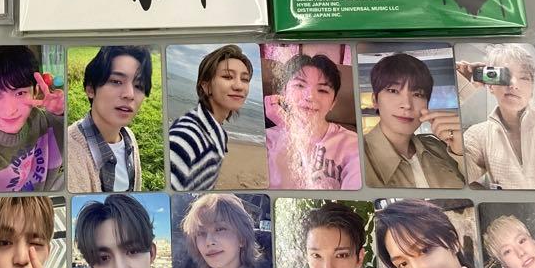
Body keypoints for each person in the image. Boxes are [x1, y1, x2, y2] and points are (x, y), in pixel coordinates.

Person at [458, 45, 535, 189]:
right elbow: (453, 179)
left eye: (524, 77)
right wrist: (458, 87)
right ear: (490, 85)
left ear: (532, 89)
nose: (513, 84)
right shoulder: (478, 135)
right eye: (504, 75)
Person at [0, 46, 64, 192]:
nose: (10, 110)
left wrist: (61, 112)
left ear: (36, 91)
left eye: (20, 93)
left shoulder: (45, 121)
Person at [362, 52, 466, 188]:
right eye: (393, 91)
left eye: (417, 94)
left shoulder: (438, 147)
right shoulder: (358, 155)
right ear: (375, 100)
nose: (407, 104)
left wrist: (460, 152)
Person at [265, 53, 361, 189]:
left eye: (322, 90)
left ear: (333, 103)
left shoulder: (353, 144)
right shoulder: (266, 139)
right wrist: (288, 128)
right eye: (300, 85)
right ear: (284, 92)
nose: (310, 96)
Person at [67, 45, 152, 193]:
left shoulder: (129, 138)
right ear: (91, 89)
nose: (130, 94)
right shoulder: (70, 151)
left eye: (139, 85)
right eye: (117, 81)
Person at [168, 44, 252, 191]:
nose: (239, 86)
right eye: (227, 77)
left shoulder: (216, 132)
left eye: (245, 79)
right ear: (206, 86)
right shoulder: (185, 138)